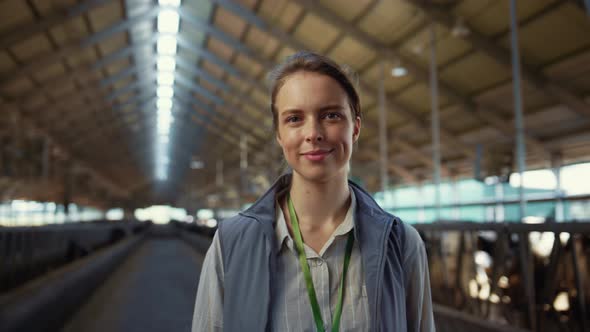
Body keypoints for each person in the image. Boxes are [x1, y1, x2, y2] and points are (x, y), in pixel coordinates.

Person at [192, 51, 435, 332]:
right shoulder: (231, 244)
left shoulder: (401, 243)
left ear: (355, 127)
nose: (313, 133)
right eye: (295, 119)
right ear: (279, 135)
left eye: (331, 115)